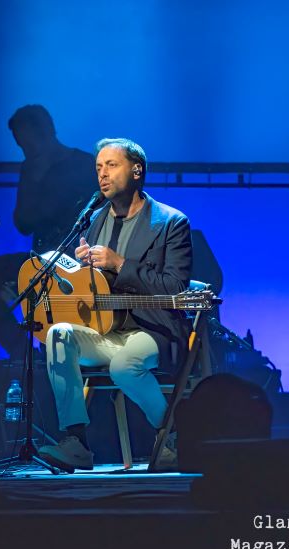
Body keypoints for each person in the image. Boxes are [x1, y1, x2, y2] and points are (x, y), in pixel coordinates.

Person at [38, 137, 192, 472]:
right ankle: (77, 442)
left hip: (152, 329)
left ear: (137, 170)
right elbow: (97, 285)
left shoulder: (171, 222)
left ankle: (171, 436)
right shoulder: (93, 219)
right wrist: (81, 270)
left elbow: (174, 286)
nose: (102, 174)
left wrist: (119, 263)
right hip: (105, 328)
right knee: (59, 334)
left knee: (124, 365)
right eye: (98, 168)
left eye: (111, 165)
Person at [0, 105, 96, 360]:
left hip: (76, 260)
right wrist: (34, 181)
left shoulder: (84, 165)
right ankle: (20, 349)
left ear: (47, 132)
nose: (26, 150)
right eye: (21, 145)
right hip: (40, 260)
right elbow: (23, 223)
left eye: (28, 142)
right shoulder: (29, 170)